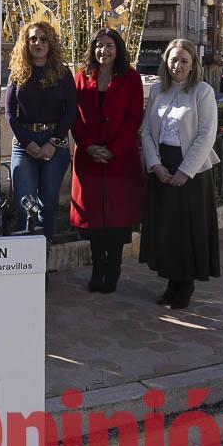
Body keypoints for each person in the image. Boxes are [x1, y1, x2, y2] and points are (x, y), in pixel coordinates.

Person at [139, 38, 221, 310]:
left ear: (193, 64)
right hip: (162, 166)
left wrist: (186, 171)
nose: (178, 65)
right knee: (167, 230)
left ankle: (184, 284)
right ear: (166, 62)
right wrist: (155, 165)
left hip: (192, 170)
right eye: (173, 59)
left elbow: (206, 135)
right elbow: (147, 131)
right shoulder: (157, 91)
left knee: (187, 230)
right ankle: (170, 282)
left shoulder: (202, 91)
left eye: (184, 60)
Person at [70, 28, 145, 293]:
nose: (104, 51)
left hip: (119, 160)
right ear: (92, 49)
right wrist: (89, 147)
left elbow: (134, 117)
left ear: (118, 49)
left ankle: (112, 270)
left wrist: (113, 149)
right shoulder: (80, 78)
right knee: (94, 222)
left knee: (115, 221)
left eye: (109, 45)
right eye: (99, 45)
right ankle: (97, 269)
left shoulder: (131, 78)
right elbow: (73, 117)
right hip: (89, 160)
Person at [3, 21, 75, 238]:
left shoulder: (62, 73)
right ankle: (25, 262)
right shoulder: (18, 72)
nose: (38, 43)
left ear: (50, 43)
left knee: (48, 206)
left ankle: (43, 257)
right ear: (26, 43)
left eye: (43, 39)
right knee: (25, 205)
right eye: (33, 38)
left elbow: (71, 110)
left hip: (55, 145)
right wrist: (28, 142)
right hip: (24, 145)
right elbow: (9, 113)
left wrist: (52, 142)